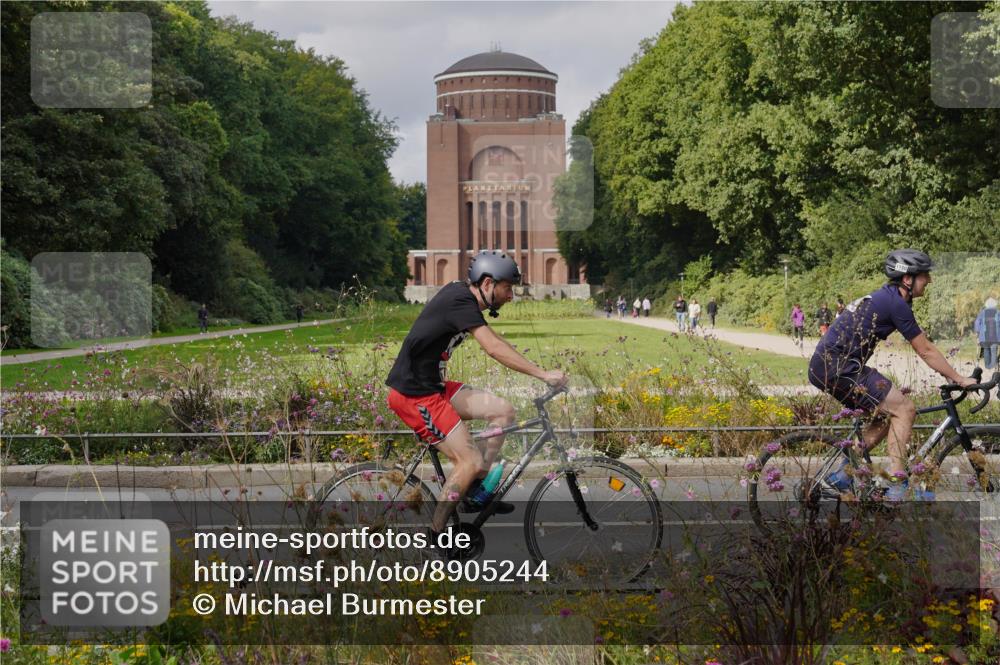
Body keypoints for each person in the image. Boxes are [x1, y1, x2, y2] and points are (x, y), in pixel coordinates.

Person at [385, 250, 568, 546]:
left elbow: (496, 341)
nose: (511, 295)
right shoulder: (460, 301)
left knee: (503, 412)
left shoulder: (463, 298)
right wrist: (543, 374)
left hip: (434, 386)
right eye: (507, 288)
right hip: (413, 393)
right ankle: (436, 538)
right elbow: (493, 347)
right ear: (486, 283)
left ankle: (474, 492)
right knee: (467, 460)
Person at [808, 249, 976, 500]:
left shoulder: (889, 298)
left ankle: (844, 475)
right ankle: (897, 484)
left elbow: (925, 349)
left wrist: (950, 375)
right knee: (905, 409)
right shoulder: (895, 303)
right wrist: (959, 378)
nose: (928, 280)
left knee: (887, 417)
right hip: (838, 367)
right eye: (924, 275)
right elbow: (926, 350)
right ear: (907, 279)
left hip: (831, 366)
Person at [974, 297, 1000, 370]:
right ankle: (993, 366)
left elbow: (977, 322)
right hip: (995, 337)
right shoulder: (998, 313)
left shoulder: (982, 313)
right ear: (995, 304)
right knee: (994, 350)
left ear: (986, 305)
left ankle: (988, 367)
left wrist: (977, 332)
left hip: (984, 337)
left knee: (986, 350)